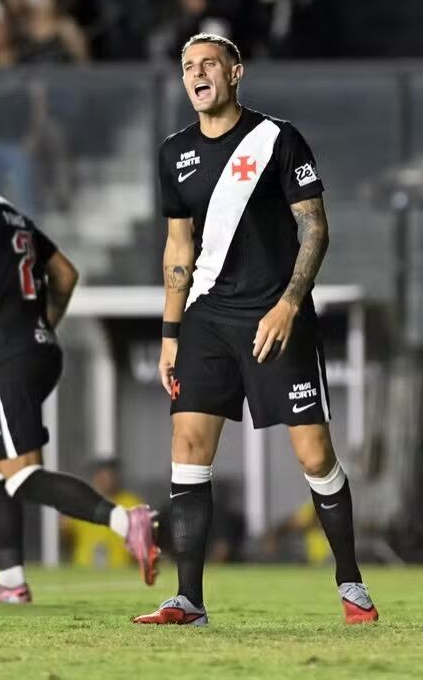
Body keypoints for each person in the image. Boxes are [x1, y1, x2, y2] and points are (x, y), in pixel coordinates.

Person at [132, 33, 378, 627]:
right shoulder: (174, 153)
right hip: (206, 319)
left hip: (276, 317)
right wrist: (170, 333)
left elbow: (315, 227)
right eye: (188, 66)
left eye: (208, 64)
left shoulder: (278, 138)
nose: (197, 74)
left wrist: (290, 304)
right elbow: (178, 247)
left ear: (235, 72)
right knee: (188, 447)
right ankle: (189, 601)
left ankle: (351, 583)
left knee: (314, 454)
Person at [0, 127, 158, 602]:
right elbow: (66, 274)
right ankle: (11, 582)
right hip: (35, 349)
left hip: (10, 354)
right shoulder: (7, 211)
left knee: (21, 475)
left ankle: (126, 521)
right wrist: (42, 327)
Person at [62, 459, 143, 569]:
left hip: (121, 570)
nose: (106, 478)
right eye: (100, 474)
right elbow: (66, 539)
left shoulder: (131, 503)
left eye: (109, 473)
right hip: (84, 569)